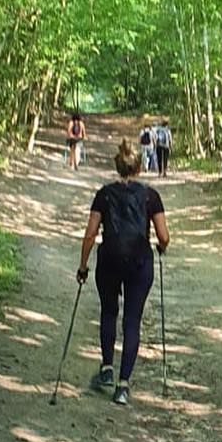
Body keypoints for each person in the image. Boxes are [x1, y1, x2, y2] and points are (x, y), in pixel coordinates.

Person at [77, 142, 169, 406]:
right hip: (139, 263)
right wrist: (161, 248)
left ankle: (107, 368)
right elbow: (164, 236)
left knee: (108, 312)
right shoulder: (150, 196)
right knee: (132, 320)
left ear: (118, 167)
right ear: (139, 168)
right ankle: (123, 386)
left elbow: (90, 234)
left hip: (109, 260)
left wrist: (83, 266)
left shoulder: (104, 194)